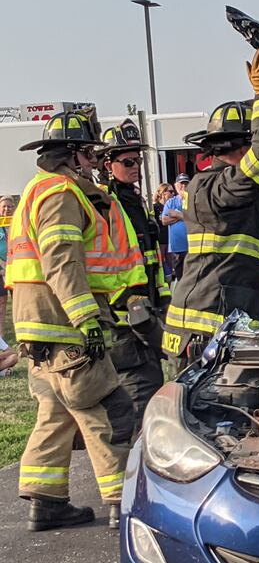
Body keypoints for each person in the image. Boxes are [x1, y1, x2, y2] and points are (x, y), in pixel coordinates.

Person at [10, 111, 137, 530]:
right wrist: (87, 320)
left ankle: (44, 501)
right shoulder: (61, 193)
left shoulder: (35, 189)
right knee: (105, 407)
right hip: (63, 318)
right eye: (90, 154)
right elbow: (61, 261)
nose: (96, 162)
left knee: (56, 409)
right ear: (75, 155)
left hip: (35, 321)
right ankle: (125, 501)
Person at [163, 47, 259, 368]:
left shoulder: (234, 184)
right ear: (243, 146)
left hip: (225, 321)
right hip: (206, 328)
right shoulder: (210, 187)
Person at [97, 119, 171, 433]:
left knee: (153, 381)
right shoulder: (104, 203)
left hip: (146, 311)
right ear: (107, 164)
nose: (135, 167)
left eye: (138, 160)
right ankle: (130, 462)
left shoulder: (133, 201)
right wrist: (129, 306)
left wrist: (163, 301)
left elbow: (150, 260)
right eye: (127, 162)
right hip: (122, 317)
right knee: (139, 388)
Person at [161, 173, 190, 280]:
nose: (183, 186)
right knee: (180, 277)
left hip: (192, 247)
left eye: (186, 183)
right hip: (177, 248)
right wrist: (185, 216)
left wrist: (177, 214)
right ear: (175, 185)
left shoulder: (194, 200)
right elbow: (164, 220)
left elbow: (196, 219)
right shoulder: (171, 202)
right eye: (181, 184)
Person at [0, 195, 15, 338]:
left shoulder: (17, 223)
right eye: (4, 206)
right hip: (1, 268)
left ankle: (21, 331)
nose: (6, 209)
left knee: (18, 300)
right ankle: (1, 335)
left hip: (16, 267)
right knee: (2, 301)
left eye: (9, 206)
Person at [153, 183, 175, 279]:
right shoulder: (155, 207)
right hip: (160, 240)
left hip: (170, 239)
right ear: (163, 193)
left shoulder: (172, 206)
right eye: (170, 191)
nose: (173, 194)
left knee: (172, 263)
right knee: (161, 263)